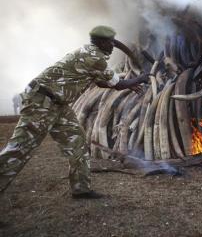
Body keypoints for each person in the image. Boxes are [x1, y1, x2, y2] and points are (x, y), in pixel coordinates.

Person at [0, 26, 148, 199]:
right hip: (42, 102)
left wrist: (129, 81)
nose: (112, 45)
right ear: (100, 42)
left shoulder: (89, 52)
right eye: (109, 42)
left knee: (77, 142)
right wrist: (141, 78)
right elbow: (117, 84)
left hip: (58, 104)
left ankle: (81, 189)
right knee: (18, 150)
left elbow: (101, 82)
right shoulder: (94, 57)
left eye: (113, 41)